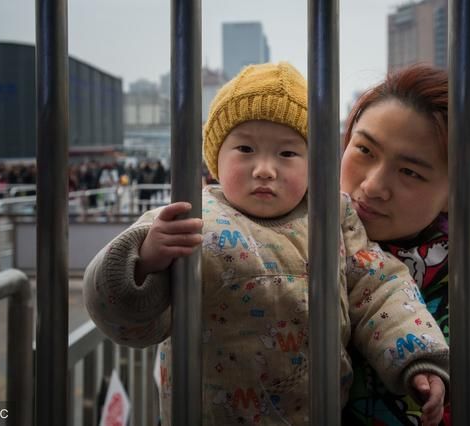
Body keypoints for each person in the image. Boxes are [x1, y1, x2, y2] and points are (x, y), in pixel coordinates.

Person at [83, 62, 450, 425]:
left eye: (287, 154)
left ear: (314, 164)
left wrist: (415, 355)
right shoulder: (190, 218)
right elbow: (123, 322)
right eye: (245, 149)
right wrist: (145, 260)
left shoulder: (332, 217)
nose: (264, 169)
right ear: (216, 157)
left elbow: (380, 287)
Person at [340, 64, 470, 425]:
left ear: (456, 193)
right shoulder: (288, 244)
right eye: (365, 150)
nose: (372, 186)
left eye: (410, 172)